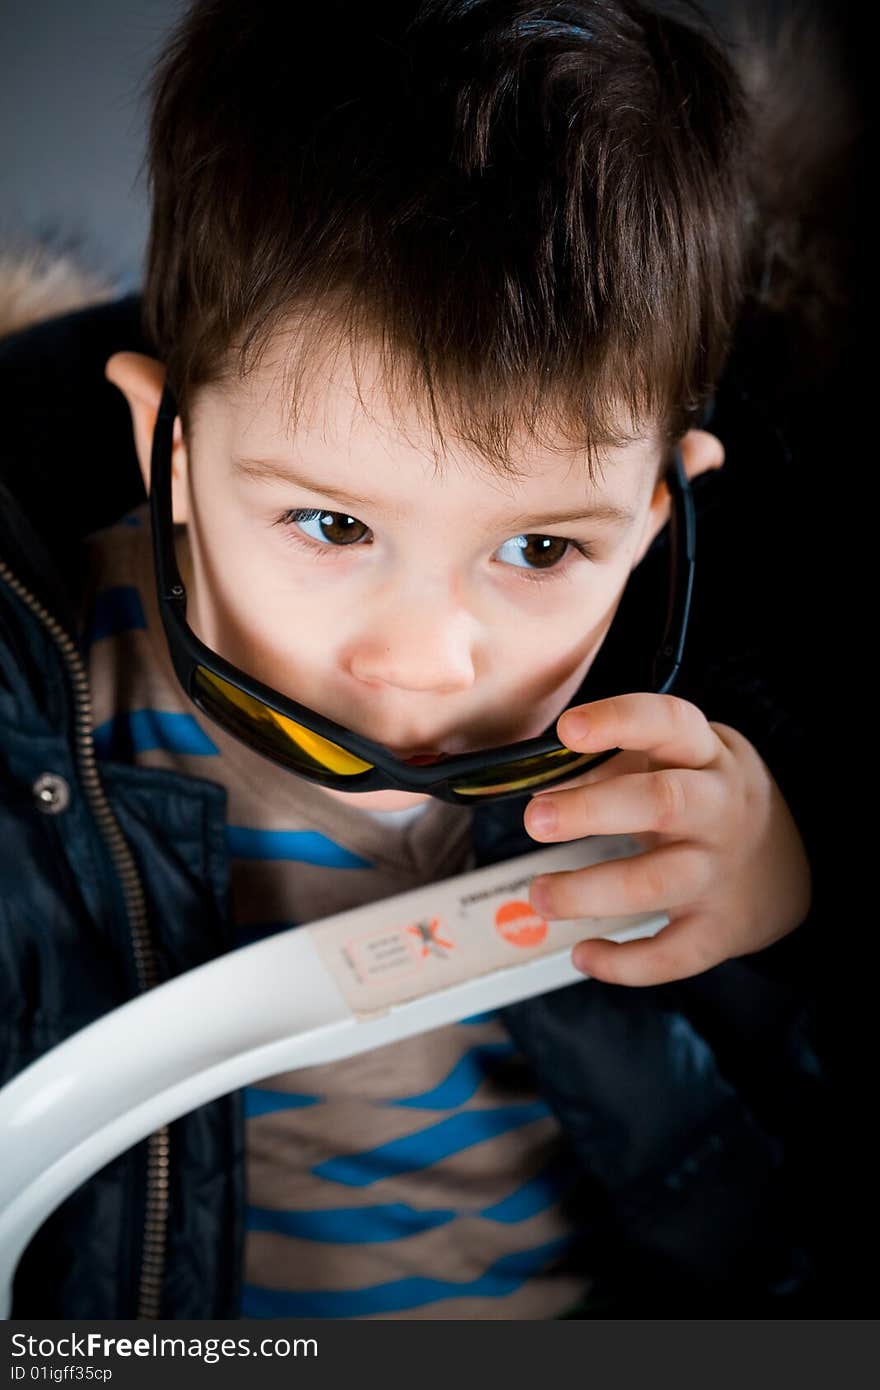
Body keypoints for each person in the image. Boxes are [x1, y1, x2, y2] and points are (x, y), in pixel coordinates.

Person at [0, 0, 833, 1319]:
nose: (429, 661)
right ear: (167, 452)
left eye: (545, 550)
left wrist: (783, 879)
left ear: (659, 521)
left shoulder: (693, 741)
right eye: (332, 524)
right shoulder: (34, 706)